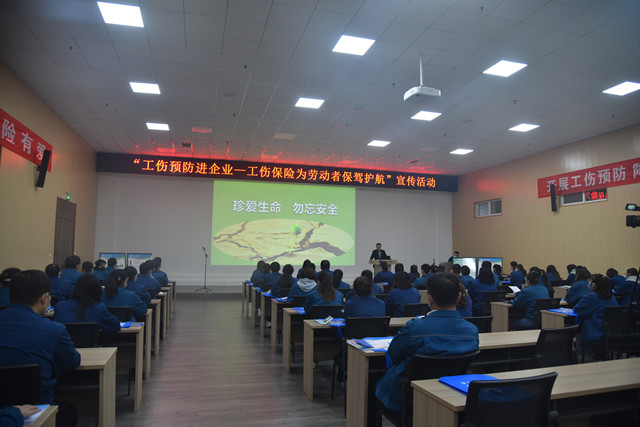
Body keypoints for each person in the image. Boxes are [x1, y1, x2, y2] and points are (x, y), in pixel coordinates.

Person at [375, 272, 479, 413]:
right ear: (459, 297)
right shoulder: (472, 331)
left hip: (409, 397)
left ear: (429, 299)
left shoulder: (415, 328)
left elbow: (393, 354)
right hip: (450, 395)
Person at [0, 270, 81, 425]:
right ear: (44, 298)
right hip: (39, 412)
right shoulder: (53, 330)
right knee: (68, 412)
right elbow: (71, 362)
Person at [53, 274, 121, 334]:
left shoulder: (60, 306)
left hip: (64, 344)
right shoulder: (99, 308)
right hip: (89, 344)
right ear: (97, 291)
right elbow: (115, 327)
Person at [573, 274, 618, 358]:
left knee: (576, 335)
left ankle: (586, 359)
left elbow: (577, 310)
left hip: (594, 332)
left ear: (593, 285)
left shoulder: (591, 296)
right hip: (610, 333)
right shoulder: (611, 297)